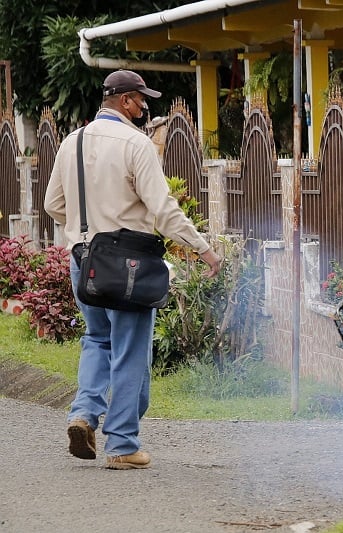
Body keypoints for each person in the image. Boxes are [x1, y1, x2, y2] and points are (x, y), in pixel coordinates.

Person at [44, 69, 222, 470]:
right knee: (130, 350)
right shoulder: (136, 143)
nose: (144, 108)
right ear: (124, 100)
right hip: (127, 265)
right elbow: (163, 209)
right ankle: (122, 445)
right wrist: (204, 250)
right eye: (141, 100)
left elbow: (53, 205)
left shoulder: (72, 142)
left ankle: (83, 414)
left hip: (83, 259)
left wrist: (86, 228)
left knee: (96, 339)